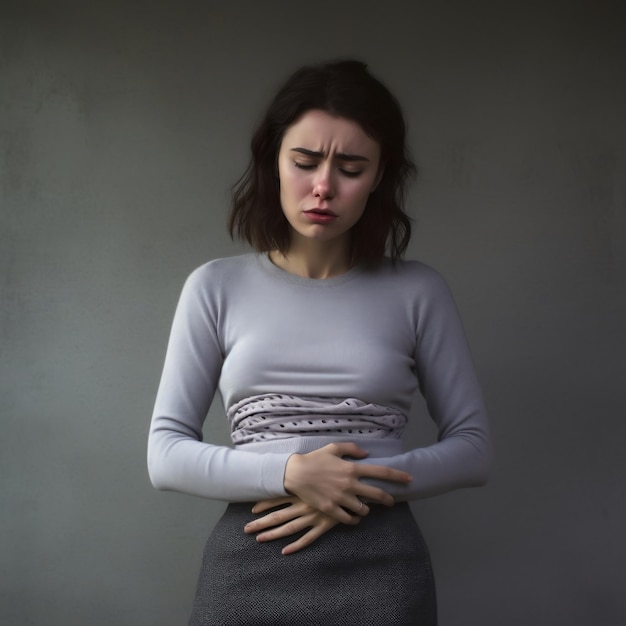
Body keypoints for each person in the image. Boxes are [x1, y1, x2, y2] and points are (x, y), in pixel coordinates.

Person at [148, 59, 492, 626]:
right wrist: (291, 473)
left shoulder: (418, 290)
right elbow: (165, 455)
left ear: (380, 175)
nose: (324, 186)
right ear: (273, 162)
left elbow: (474, 448)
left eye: (351, 167)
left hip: (383, 565)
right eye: (304, 162)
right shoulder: (214, 286)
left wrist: (355, 482)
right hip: (250, 558)